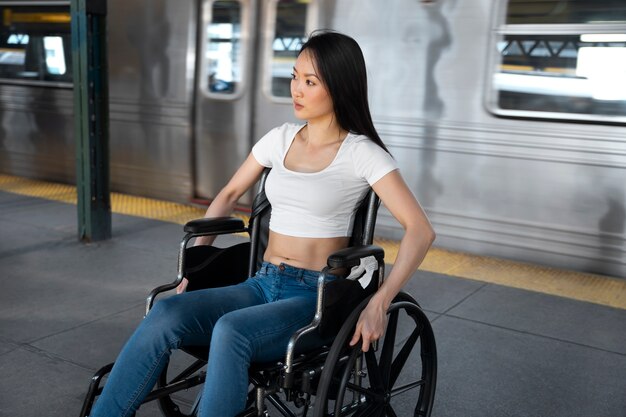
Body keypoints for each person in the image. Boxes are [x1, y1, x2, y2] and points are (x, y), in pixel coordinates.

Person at [89, 30, 435, 417]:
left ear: (339, 86)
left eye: (310, 81)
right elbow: (229, 192)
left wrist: (380, 300)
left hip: (314, 297)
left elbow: (420, 230)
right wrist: (195, 269)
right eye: (294, 76)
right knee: (167, 312)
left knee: (231, 332)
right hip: (262, 281)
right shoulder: (280, 138)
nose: (296, 90)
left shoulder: (362, 153)